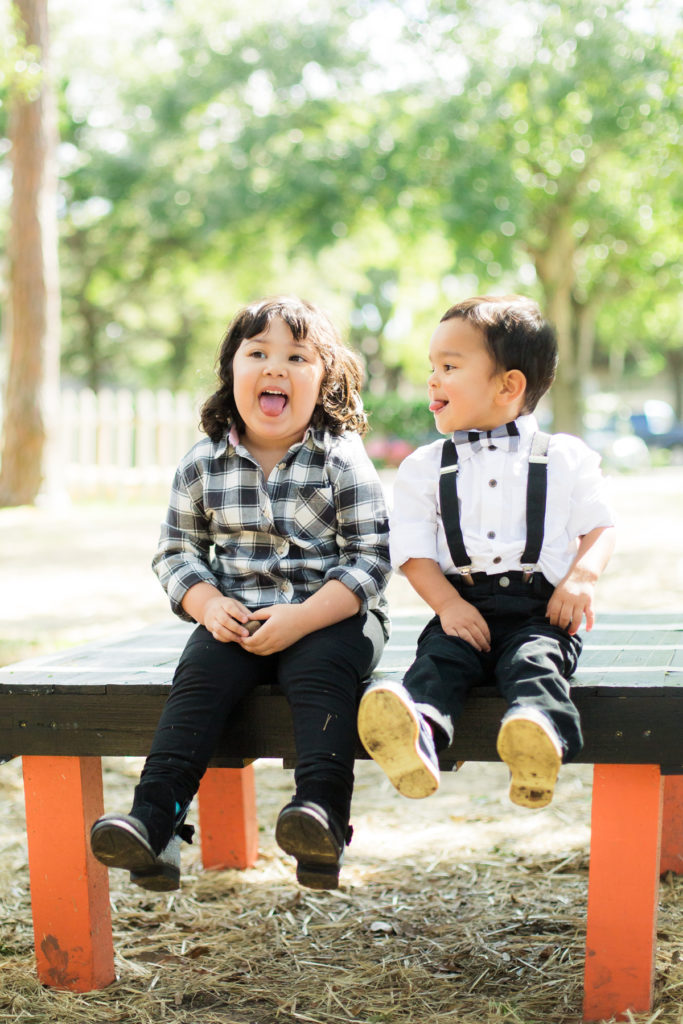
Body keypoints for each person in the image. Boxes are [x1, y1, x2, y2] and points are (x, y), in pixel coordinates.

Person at [91, 296, 391, 891]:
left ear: (325, 380)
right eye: (258, 353)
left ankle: (322, 820)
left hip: (332, 615)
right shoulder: (202, 463)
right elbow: (176, 553)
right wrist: (207, 605)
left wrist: (304, 618)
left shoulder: (341, 457)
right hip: (237, 619)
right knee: (199, 679)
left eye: (297, 357)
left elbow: (371, 560)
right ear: (232, 370)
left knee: (321, 676)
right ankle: (154, 822)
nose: (275, 367)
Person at [357, 294, 615, 809]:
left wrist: (580, 579)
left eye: (449, 366)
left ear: (509, 385)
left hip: (542, 614)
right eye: (432, 366)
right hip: (463, 612)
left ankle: (536, 739)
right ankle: (420, 737)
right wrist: (447, 606)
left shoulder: (565, 456)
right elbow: (413, 553)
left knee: (535, 665)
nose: (432, 378)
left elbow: (600, 527)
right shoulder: (424, 468)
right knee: (437, 665)